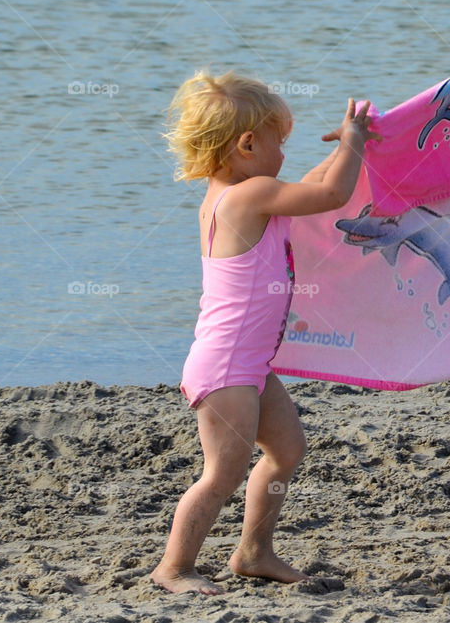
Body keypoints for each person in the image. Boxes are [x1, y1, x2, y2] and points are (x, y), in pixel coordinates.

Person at [151, 71, 380, 595]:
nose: (284, 154)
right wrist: (352, 144)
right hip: (226, 367)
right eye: (281, 142)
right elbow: (329, 193)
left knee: (287, 449)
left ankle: (254, 551)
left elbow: (310, 189)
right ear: (247, 144)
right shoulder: (249, 196)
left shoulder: (236, 193)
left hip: (249, 364)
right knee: (223, 471)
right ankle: (173, 567)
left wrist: (352, 149)